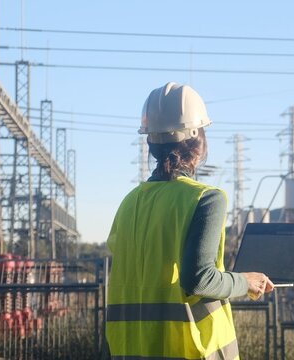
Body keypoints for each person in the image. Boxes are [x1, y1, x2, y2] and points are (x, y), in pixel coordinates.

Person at [105, 82, 274, 360]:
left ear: (150, 142)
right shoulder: (207, 198)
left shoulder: (129, 203)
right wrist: (245, 282)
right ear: (198, 141)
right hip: (190, 349)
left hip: (131, 349)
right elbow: (199, 279)